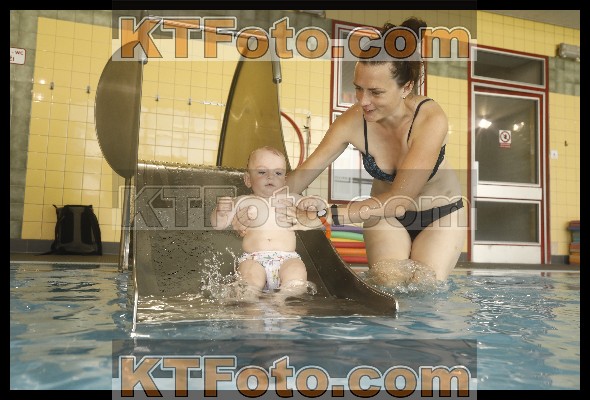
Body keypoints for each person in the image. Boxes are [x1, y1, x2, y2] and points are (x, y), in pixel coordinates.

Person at [233, 18, 467, 286]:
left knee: (424, 286)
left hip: (440, 214)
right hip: (384, 216)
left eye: (375, 92)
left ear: (406, 87)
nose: (362, 101)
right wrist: (256, 206)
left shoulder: (430, 119)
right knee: (388, 283)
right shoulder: (352, 122)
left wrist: (324, 216)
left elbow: (400, 199)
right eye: (358, 88)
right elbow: (299, 179)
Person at [211, 146, 325, 296]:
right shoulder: (242, 201)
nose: (270, 177)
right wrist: (220, 211)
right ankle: (251, 305)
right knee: (249, 281)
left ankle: (283, 303)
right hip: (254, 259)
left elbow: (322, 212)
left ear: (284, 180)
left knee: (297, 273)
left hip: (287, 258)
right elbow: (218, 225)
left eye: (278, 173)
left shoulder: (292, 199)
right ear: (248, 179)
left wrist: (313, 204)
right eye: (262, 172)